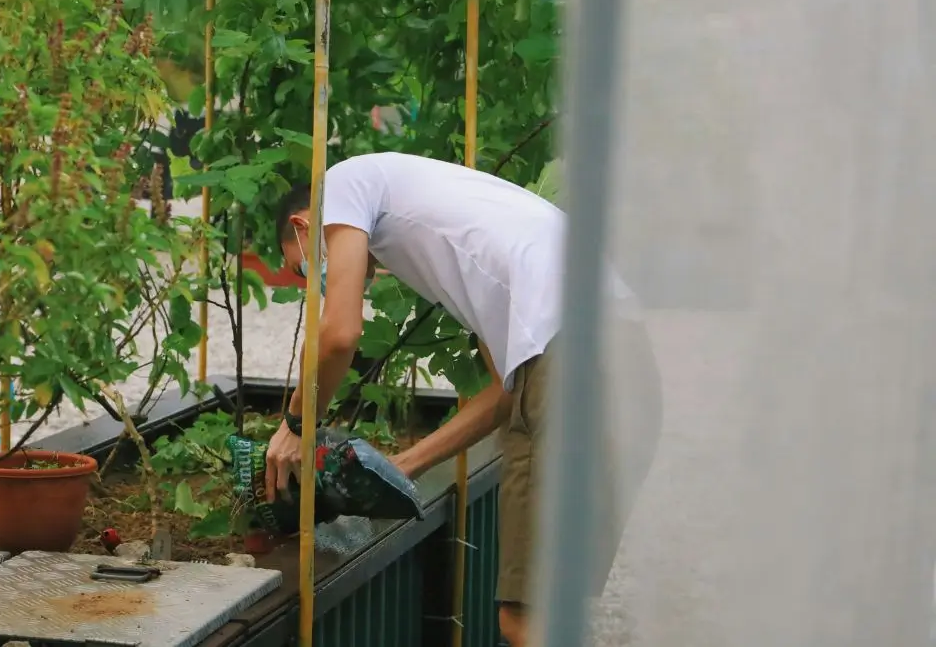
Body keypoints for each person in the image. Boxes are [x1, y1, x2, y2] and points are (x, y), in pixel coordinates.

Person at [263, 151, 663, 647]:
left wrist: (296, 426)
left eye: (300, 269)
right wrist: (404, 464)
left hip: (569, 370)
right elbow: (502, 394)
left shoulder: (343, 185)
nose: (309, 285)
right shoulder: (466, 223)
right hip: (627, 365)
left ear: (305, 226)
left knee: (525, 621)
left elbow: (340, 332)